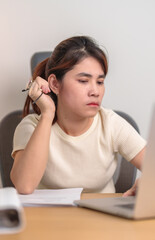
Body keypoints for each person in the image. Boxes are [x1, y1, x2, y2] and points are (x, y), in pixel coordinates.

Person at [10, 36, 146, 195]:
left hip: (102, 218)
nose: (95, 91)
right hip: (47, 218)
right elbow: (24, 186)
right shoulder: (31, 126)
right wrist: (48, 114)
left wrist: (148, 182)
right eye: (83, 81)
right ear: (54, 84)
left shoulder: (111, 123)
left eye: (100, 82)